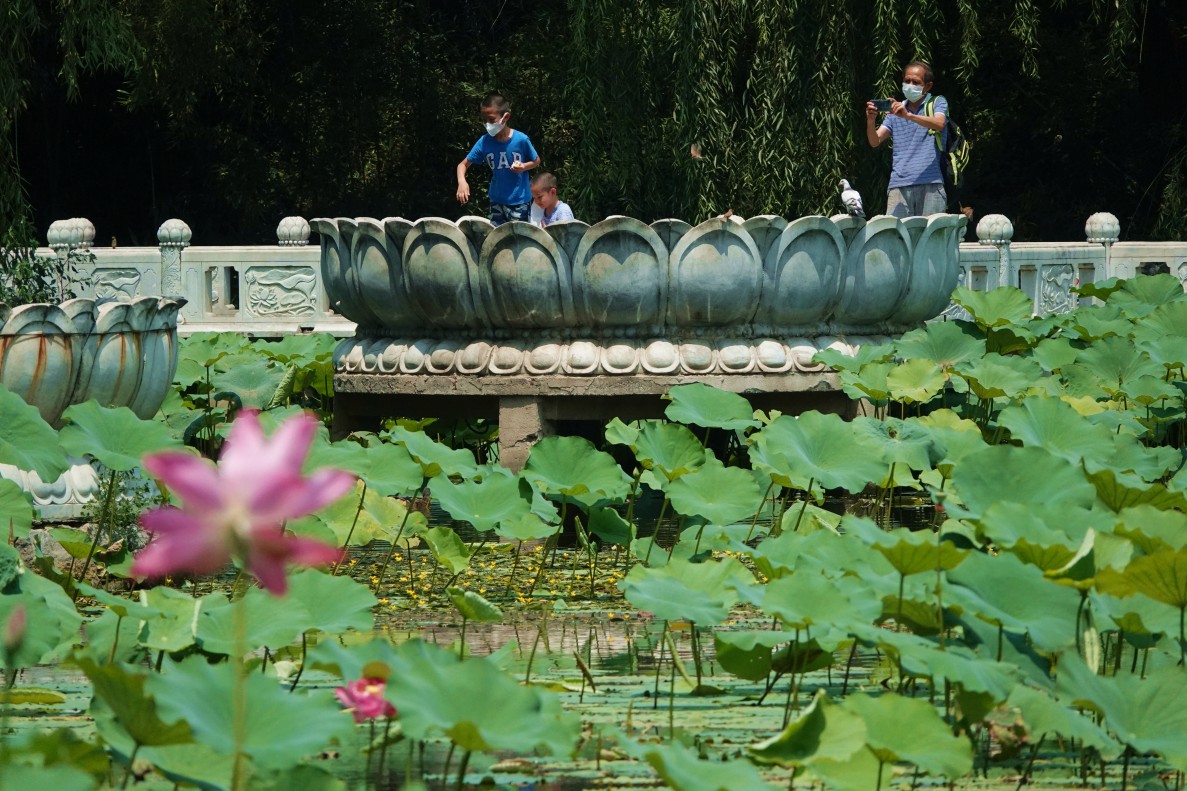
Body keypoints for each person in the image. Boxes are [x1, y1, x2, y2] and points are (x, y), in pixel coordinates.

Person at [865, 61, 948, 217]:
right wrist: (870, 120)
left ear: (928, 86)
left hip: (930, 183)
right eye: (907, 81)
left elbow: (939, 123)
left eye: (916, 82)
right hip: (898, 185)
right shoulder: (894, 112)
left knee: (930, 232)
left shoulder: (936, 103)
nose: (910, 85)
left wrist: (908, 116)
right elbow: (875, 141)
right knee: (895, 232)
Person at [456, 93, 540, 226]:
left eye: (491, 119)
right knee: (497, 236)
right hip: (496, 200)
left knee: (518, 236)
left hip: (519, 201)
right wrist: (462, 181)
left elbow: (536, 161)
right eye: (484, 120)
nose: (487, 124)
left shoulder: (521, 140)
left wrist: (524, 167)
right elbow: (462, 165)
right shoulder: (484, 142)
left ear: (505, 117)